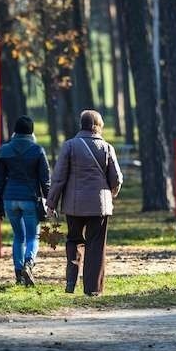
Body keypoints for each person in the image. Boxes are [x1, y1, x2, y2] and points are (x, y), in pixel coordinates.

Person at [46, 110, 123, 296]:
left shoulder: (69, 146)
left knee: (73, 241)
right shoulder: (107, 147)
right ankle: (93, 289)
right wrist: (111, 193)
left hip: (74, 206)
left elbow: (58, 178)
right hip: (100, 206)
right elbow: (117, 178)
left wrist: (51, 203)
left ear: (81, 124)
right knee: (96, 246)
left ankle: (71, 281)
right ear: (98, 126)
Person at [0, 115, 51, 286]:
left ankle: (18, 274)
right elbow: (45, 179)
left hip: (9, 199)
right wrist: (49, 201)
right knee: (33, 236)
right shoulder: (37, 150)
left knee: (18, 236)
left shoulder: (4, 150)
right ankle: (28, 264)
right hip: (30, 199)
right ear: (31, 132)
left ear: (15, 132)